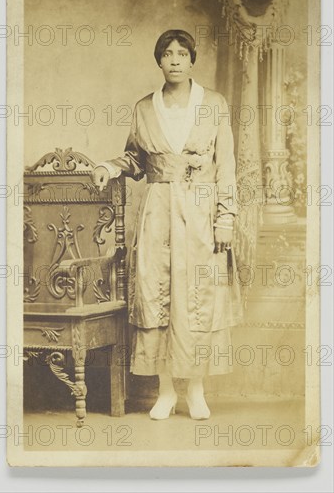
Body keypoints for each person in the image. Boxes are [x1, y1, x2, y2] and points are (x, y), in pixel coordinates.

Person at [92, 29, 242, 420]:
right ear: (158, 61)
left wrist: (225, 218)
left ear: (192, 60)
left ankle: (195, 389)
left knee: (197, 299)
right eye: (167, 54)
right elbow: (135, 159)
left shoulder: (213, 104)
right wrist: (109, 167)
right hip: (157, 212)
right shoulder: (145, 108)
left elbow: (226, 166)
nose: (174, 60)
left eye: (182, 53)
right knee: (156, 295)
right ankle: (164, 391)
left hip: (201, 212)